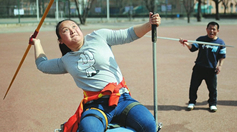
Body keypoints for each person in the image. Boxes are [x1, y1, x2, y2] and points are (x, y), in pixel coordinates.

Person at [30, 12, 161, 132]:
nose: (72, 31)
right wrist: (37, 42)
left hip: (122, 99)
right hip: (96, 105)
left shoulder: (99, 36)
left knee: (150, 125)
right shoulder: (65, 61)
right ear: (61, 40)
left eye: (74, 27)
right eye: (65, 30)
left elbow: (128, 34)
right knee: (89, 129)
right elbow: (42, 65)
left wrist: (149, 25)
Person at [179, 21, 226, 112]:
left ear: (217, 31)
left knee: (212, 88)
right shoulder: (201, 39)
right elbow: (193, 48)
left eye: (214, 29)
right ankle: (192, 102)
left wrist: (220, 66)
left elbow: (222, 56)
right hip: (199, 68)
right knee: (193, 86)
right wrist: (186, 44)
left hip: (211, 69)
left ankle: (212, 104)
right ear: (206, 29)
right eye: (210, 29)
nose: (211, 31)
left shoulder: (220, 42)